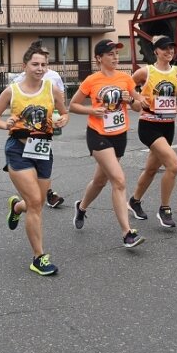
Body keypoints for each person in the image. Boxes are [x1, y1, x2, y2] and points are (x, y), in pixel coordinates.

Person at [0, 42, 69, 276]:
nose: (40, 68)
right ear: (25, 66)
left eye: (44, 64)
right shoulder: (12, 90)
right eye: (35, 64)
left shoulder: (52, 88)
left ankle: (16, 206)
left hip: (43, 150)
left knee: (37, 202)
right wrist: (6, 124)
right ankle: (38, 257)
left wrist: (63, 119)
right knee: (35, 202)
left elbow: (64, 113)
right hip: (18, 149)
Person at [68, 39, 145, 248]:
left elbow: (138, 107)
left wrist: (131, 101)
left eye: (116, 53)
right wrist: (91, 110)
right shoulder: (92, 80)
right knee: (119, 181)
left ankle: (81, 207)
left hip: (119, 134)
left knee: (100, 181)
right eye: (110, 54)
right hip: (97, 134)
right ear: (99, 58)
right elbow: (73, 105)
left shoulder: (125, 78)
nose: (115, 57)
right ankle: (127, 233)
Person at [129, 36, 177, 228]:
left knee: (151, 169)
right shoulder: (146, 72)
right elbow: (127, 88)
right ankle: (164, 209)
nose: (169, 51)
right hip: (149, 125)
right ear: (156, 51)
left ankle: (134, 201)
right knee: (173, 165)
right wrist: (138, 98)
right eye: (164, 48)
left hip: (168, 125)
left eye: (171, 48)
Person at [12, 42, 65, 208]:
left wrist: (60, 117)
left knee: (41, 155)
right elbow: (14, 105)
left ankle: (41, 192)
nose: (42, 64)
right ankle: (44, 193)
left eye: (46, 57)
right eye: (41, 56)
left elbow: (61, 100)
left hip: (47, 123)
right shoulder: (19, 79)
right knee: (31, 161)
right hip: (26, 129)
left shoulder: (54, 76)